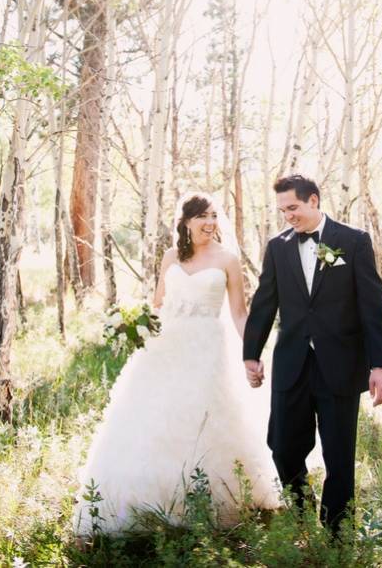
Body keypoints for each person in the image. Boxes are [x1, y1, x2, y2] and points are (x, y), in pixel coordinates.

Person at [73, 192, 279, 537]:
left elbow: (239, 313)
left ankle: (211, 503)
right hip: (165, 349)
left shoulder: (228, 259)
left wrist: (252, 352)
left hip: (208, 350)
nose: (210, 223)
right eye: (202, 217)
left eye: (214, 216)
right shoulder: (171, 256)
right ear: (185, 222)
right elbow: (157, 305)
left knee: (205, 421)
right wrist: (132, 325)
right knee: (153, 421)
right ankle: (145, 503)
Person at [243, 174, 382, 536]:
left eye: (292, 207)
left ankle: (337, 532)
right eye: (282, 211)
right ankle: (300, 513)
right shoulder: (277, 247)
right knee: (282, 447)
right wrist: (251, 353)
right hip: (292, 364)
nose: (287, 216)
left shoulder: (354, 241)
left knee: (339, 456)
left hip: (340, 364)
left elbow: (372, 305)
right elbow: (265, 303)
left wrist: (380, 365)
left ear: (313, 200)